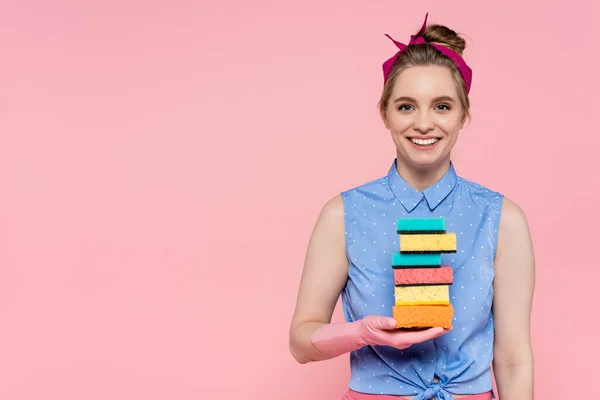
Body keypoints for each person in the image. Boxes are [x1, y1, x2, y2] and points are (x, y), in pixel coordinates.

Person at [288, 13, 535, 400]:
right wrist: (361, 333)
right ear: (384, 113)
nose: (423, 123)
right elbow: (301, 342)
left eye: (441, 106)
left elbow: (513, 358)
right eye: (406, 106)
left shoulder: (503, 219)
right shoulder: (342, 215)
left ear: (463, 115)